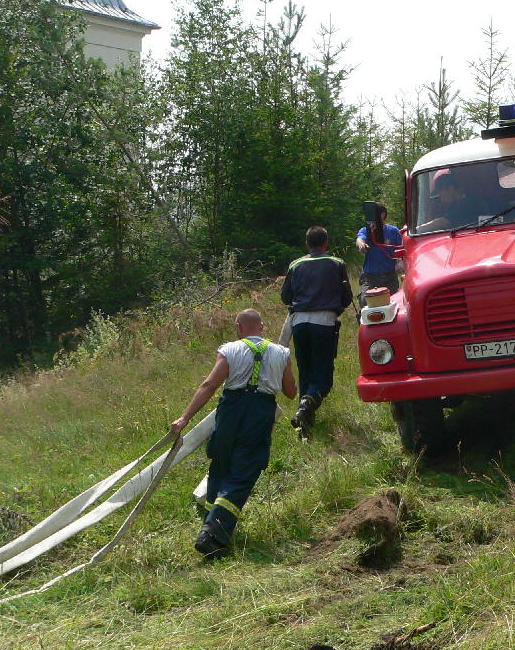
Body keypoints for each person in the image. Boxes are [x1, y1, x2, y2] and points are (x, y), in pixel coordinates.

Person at [171, 309, 296, 558]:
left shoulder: (229, 350)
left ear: (239, 328)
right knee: (243, 473)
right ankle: (213, 534)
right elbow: (291, 392)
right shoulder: (281, 353)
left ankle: (210, 523)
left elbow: (209, 385)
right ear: (261, 327)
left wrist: (184, 417)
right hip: (260, 412)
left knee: (221, 465)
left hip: (231, 411)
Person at [280, 226, 353, 438]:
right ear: (326, 243)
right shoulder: (337, 263)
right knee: (323, 376)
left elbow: (286, 297)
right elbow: (346, 297)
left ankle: (304, 425)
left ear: (307, 244)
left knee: (305, 370)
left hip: (299, 323)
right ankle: (306, 405)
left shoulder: (295, 265)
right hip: (325, 322)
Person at [356, 202, 402, 309]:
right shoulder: (365, 231)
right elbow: (359, 239)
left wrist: (401, 261)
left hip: (389, 277)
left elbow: (401, 250)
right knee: (365, 302)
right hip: (370, 278)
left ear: (383, 214)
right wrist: (361, 244)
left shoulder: (393, 231)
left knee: (393, 304)